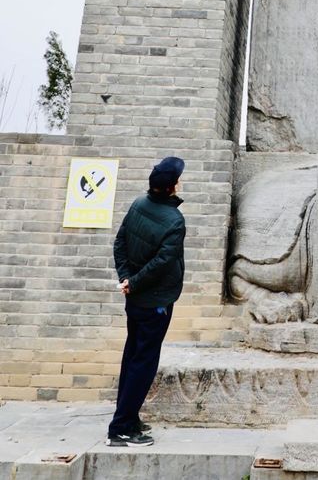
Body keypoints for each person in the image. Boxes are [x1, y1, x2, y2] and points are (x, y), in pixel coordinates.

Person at [106, 156, 186, 447]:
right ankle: (121, 428)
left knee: (132, 358)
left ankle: (127, 416)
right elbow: (163, 263)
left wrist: (126, 280)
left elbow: (119, 244)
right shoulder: (175, 221)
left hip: (135, 299)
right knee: (143, 363)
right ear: (172, 186)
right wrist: (135, 282)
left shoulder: (138, 204)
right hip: (156, 302)